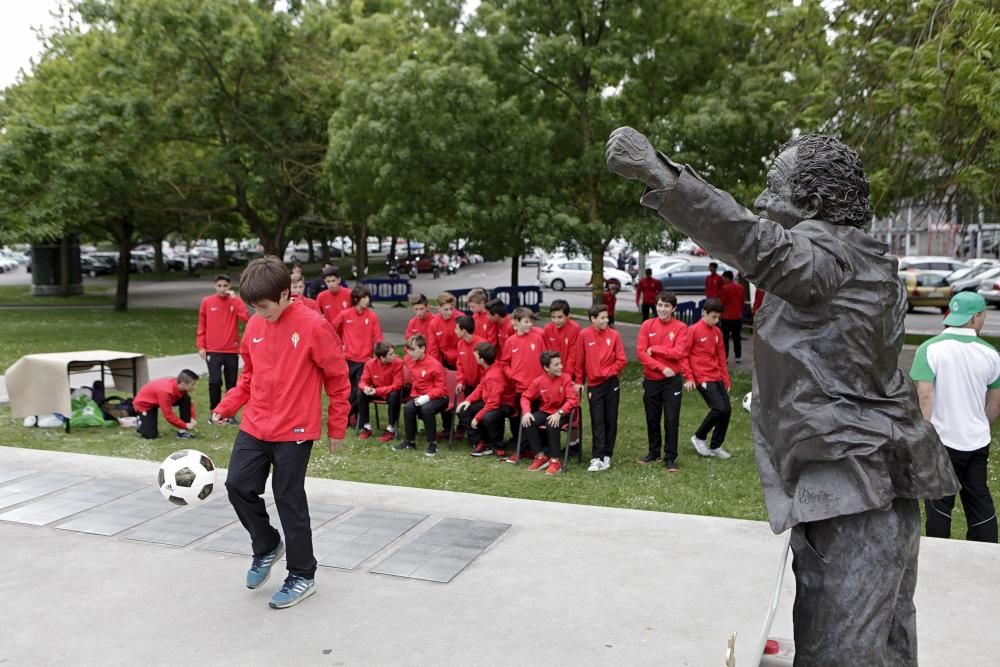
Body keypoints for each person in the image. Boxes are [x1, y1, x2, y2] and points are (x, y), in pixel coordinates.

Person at [607, 127, 958, 664]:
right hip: (857, 490)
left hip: (856, 493)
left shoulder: (831, 259)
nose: (763, 199)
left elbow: (754, 243)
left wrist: (661, 175)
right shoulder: (861, 261)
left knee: (841, 654)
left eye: (775, 186)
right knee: (884, 647)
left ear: (814, 202)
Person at [211, 256, 350, 610]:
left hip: (295, 429)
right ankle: (267, 545)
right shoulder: (256, 325)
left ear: (286, 294)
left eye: (265, 306)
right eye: (253, 307)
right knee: (237, 485)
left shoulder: (314, 326)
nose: (260, 313)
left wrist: (337, 425)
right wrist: (227, 406)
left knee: (288, 497)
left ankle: (303, 574)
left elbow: (337, 378)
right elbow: (247, 378)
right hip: (257, 423)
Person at [911, 292, 1000, 543]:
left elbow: (924, 394)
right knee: (979, 500)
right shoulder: (991, 353)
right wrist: (981, 425)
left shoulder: (928, 349)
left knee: (939, 504)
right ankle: (986, 556)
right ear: (975, 318)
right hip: (977, 441)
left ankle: (941, 557)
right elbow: (996, 401)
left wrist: (925, 435)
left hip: (940, 441)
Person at [636, 291, 691, 471]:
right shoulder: (647, 325)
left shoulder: (681, 327)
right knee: (652, 418)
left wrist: (656, 348)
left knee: (671, 419)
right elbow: (641, 354)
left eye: (666, 306)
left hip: (671, 382)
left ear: (673, 308)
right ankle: (653, 453)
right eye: (660, 305)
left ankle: (670, 457)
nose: (662, 309)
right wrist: (661, 367)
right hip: (651, 379)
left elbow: (679, 352)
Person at [576, 304, 627, 472]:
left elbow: (621, 359)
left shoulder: (614, 335)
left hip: (611, 383)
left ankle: (607, 455)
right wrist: (579, 381)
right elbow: (580, 361)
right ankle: (596, 457)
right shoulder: (584, 335)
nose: (606, 320)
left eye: (607, 317)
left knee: (610, 419)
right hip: (594, 385)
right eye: (602, 317)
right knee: (597, 420)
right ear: (593, 319)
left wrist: (607, 372)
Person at [683, 298, 732, 459]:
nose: (717, 321)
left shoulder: (717, 332)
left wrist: (726, 379)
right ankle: (699, 437)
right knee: (718, 408)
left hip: (716, 376)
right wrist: (689, 377)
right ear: (704, 313)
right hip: (702, 377)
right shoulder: (693, 330)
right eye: (714, 317)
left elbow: (721, 357)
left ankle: (716, 446)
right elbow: (684, 355)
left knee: (727, 410)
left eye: (719, 318)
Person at [196, 274, 248, 417]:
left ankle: (229, 414)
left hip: (231, 349)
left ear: (230, 286)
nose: (222, 289)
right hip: (213, 350)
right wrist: (201, 346)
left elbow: (245, 318)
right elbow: (202, 325)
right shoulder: (207, 302)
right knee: (215, 381)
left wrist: (235, 300)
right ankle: (215, 411)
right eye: (219, 286)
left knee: (231, 384)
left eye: (225, 286)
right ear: (215, 286)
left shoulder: (234, 301)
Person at [519, 351, 579, 475]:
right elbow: (525, 397)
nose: (561, 367)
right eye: (556, 365)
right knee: (529, 421)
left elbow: (573, 399)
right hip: (545, 411)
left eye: (560, 363)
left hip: (563, 413)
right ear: (546, 368)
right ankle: (540, 457)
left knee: (552, 423)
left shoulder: (566, 378)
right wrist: (526, 412)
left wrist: (560, 413)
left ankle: (555, 461)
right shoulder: (538, 381)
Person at [499, 307, 547, 463]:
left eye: (531, 321)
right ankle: (525, 449)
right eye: (526, 321)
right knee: (524, 420)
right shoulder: (510, 341)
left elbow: (545, 360)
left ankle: (534, 449)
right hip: (521, 388)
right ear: (517, 322)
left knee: (534, 420)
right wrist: (512, 375)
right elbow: (504, 363)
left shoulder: (538, 338)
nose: (529, 324)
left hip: (538, 389)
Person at [333, 285, 384, 426]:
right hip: (348, 359)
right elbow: (331, 329)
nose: (367, 300)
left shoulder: (372, 316)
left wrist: (378, 355)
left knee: (357, 390)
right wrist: (339, 346)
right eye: (364, 297)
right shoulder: (345, 314)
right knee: (346, 390)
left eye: (368, 297)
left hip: (364, 361)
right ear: (356, 299)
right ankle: (350, 416)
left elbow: (378, 337)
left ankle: (347, 416)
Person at [457, 342, 516, 459]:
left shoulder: (493, 376)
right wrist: (468, 401)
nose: (474, 357)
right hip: (491, 401)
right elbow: (481, 386)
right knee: (464, 410)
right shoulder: (490, 367)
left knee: (487, 417)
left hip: (504, 404)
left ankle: (499, 447)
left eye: (476, 355)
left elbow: (494, 403)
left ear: (482, 359)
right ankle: (481, 443)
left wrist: (477, 417)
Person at [394, 334, 448, 457]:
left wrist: (427, 397)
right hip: (418, 396)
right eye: (408, 350)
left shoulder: (434, 365)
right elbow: (399, 363)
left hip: (439, 397)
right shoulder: (409, 360)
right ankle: (410, 442)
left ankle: (433, 444)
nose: (410, 353)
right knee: (408, 408)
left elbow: (441, 388)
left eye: (413, 350)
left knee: (426, 409)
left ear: (423, 348)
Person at [357, 341, 405, 443]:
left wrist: (376, 391)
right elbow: (362, 381)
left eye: (393, 353)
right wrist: (365, 388)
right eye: (391, 354)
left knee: (394, 394)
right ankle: (366, 426)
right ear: (382, 358)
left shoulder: (398, 363)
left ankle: (391, 428)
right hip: (377, 392)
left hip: (390, 392)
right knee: (360, 393)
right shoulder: (370, 364)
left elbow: (397, 385)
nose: (395, 356)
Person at [134, 370, 199, 440]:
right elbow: (169, 416)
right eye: (193, 384)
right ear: (183, 383)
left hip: (158, 399)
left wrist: (192, 417)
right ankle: (141, 423)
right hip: (144, 404)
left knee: (186, 399)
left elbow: (189, 403)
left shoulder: (179, 386)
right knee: (150, 435)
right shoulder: (166, 392)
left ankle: (182, 432)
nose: (195, 387)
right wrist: (185, 425)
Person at [543, 299, 581, 386]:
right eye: (553, 317)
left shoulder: (575, 328)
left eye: (560, 317)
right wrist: (552, 371)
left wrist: (567, 376)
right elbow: (547, 353)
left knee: (571, 398)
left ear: (568, 316)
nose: (556, 320)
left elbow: (574, 354)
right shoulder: (547, 329)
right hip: (553, 372)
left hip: (570, 374)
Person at [429, 292, 463, 369]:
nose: (449, 312)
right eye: (446, 309)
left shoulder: (461, 318)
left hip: (461, 360)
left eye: (451, 309)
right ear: (439, 308)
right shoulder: (434, 323)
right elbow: (433, 348)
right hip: (445, 362)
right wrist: (438, 366)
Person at [718, 270, 745, 362]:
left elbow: (722, 303)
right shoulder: (741, 287)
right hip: (737, 316)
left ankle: (725, 357)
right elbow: (742, 302)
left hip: (726, 317)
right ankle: (738, 356)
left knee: (725, 338)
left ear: (727, 278)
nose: (723, 280)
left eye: (723, 278)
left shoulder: (724, 288)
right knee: (737, 337)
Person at [455, 315, 485, 396]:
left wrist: (482, 385)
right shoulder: (460, 344)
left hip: (481, 387)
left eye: (457, 328)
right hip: (468, 387)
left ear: (464, 331)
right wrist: (461, 381)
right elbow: (459, 364)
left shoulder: (481, 344)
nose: (455, 331)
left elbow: (485, 368)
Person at [405, 293, 440, 361]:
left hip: (433, 358)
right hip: (417, 357)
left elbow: (438, 345)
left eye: (421, 309)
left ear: (427, 307)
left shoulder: (435, 321)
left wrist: (432, 360)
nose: (419, 312)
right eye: (416, 309)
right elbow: (408, 343)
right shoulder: (412, 322)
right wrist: (411, 354)